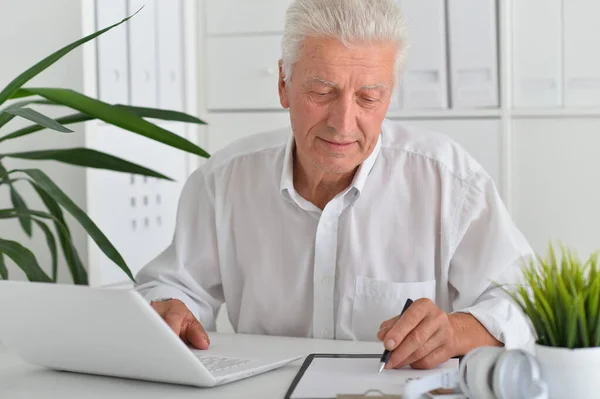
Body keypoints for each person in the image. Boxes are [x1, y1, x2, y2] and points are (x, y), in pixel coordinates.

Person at [135, 0, 534, 370]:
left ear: (389, 96)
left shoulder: (449, 181)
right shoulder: (223, 182)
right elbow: (173, 286)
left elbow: (523, 304)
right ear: (283, 84)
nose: (343, 124)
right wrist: (171, 307)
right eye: (322, 92)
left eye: (368, 98)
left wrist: (453, 330)